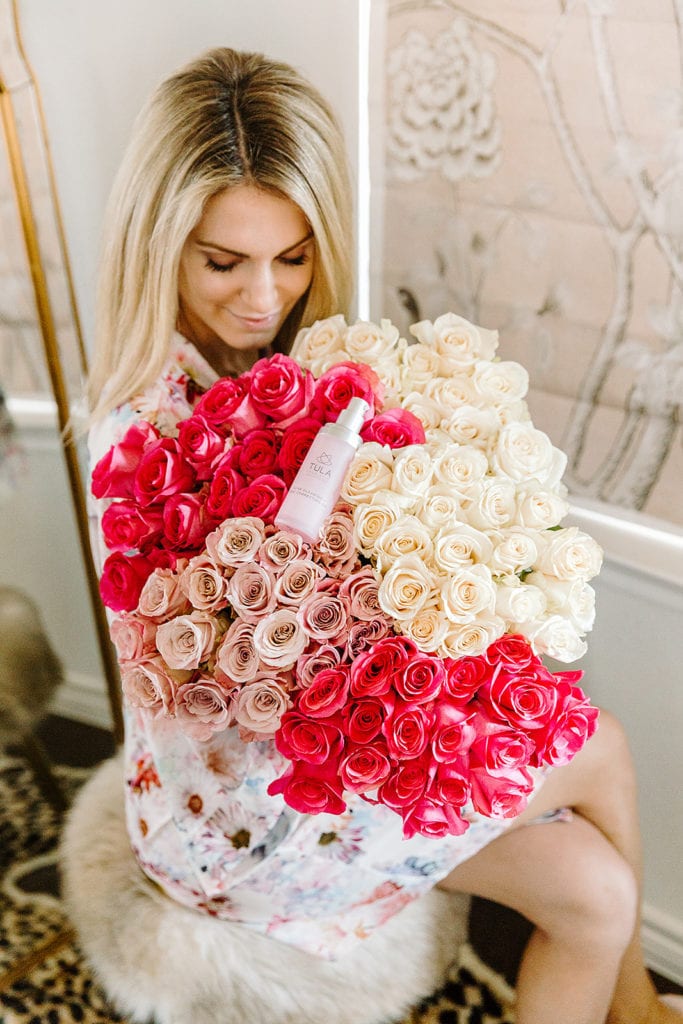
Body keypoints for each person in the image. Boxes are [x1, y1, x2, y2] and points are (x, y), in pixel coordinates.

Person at [86, 46, 682, 1024]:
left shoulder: (299, 365)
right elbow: (242, 708)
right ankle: (641, 1015)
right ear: (156, 246)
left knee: (596, 858)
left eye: (292, 255)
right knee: (599, 811)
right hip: (248, 813)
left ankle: (636, 1015)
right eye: (221, 261)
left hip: (303, 756)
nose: (260, 296)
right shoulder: (149, 431)